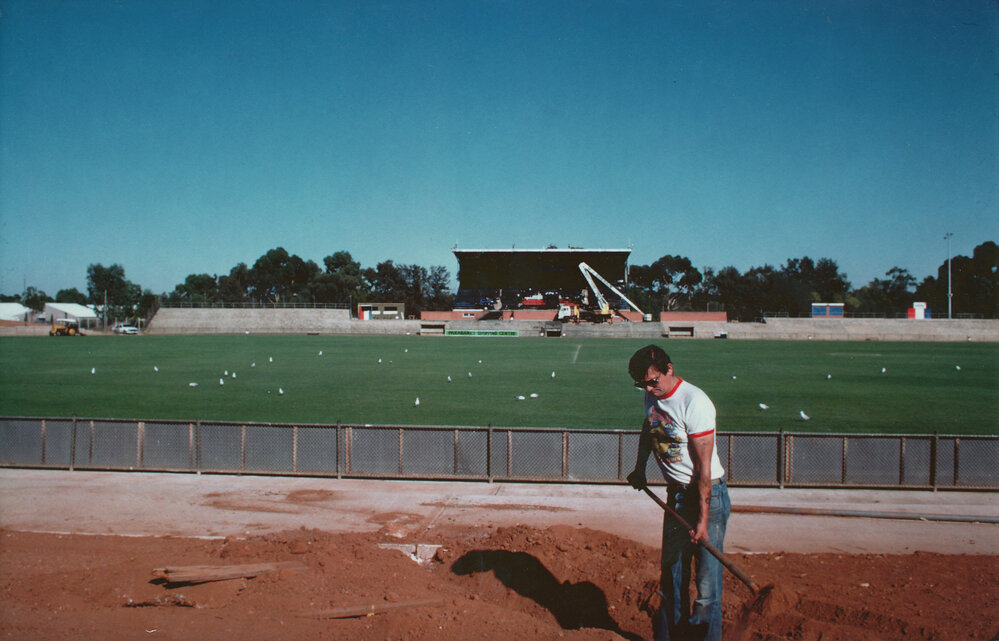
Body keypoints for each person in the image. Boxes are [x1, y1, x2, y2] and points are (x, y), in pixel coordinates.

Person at [625, 344, 730, 641]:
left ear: (668, 370)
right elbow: (651, 429)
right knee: (672, 580)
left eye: (652, 381)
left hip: (707, 497)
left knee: (706, 591)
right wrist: (640, 468)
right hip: (677, 496)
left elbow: (704, 470)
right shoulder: (651, 395)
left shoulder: (694, 402)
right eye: (642, 384)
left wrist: (702, 521)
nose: (648, 388)